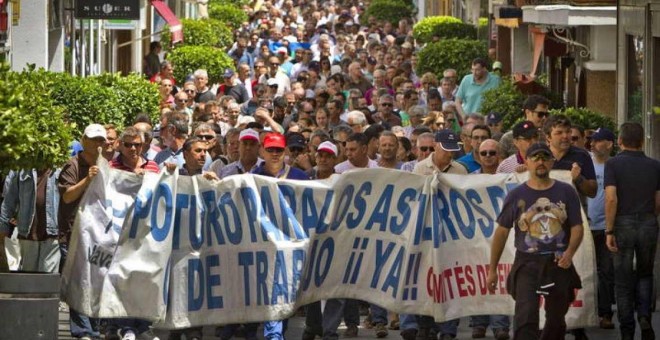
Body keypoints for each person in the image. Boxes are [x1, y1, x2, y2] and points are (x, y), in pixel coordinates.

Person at [488, 142, 584, 340]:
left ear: (551, 162)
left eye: (545, 158)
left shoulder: (566, 192)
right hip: (527, 264)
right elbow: (502, 232)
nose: (540, 162)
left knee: (556, 319)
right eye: (535, 158)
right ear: (527, 163)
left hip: (558, 263)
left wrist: (569, 253)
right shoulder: (516, 195)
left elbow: (577, 227)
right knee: (525, 316)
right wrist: (492, 270)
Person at [604, 122, 660, 340]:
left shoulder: (613, 165)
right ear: (642, 141)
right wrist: (650, 216)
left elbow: (610, 198)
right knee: (645, 273)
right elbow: (658, 201)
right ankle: (645, 315)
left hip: (622, 223)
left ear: (619, 141)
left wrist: (610, 230)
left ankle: (627, 330)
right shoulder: (655, 166)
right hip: (648, 221)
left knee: (623, 279)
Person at [58, 124, 108, 339]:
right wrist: (87, 180)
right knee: (78, 282)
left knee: (97, 279)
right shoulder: (71, 165)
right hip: (72, 234)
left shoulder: (106, 166)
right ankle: (82, 330)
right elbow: (67, 196)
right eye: (93, 139)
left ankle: (95, 328)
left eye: (101, 140)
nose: (97, 144)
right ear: (83, 140)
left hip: (98, 236)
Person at [0, 166, 61, 273]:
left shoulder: (59, 170)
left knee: (47, 279)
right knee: (28, 278)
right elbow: (8, 202)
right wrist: (3, 228)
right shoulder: (21, 170)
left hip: (52, 234)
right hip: (27, 233)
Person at [585, 127, 616, 330]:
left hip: (607, 227)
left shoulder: (616, 166)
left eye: (598, 141)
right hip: (586, 225)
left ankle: (605, 314)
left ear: (610, 144)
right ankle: (583, 314)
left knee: (606, 272)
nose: (593, 144)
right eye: (592, 141)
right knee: (585, 271)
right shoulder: (586, 164)